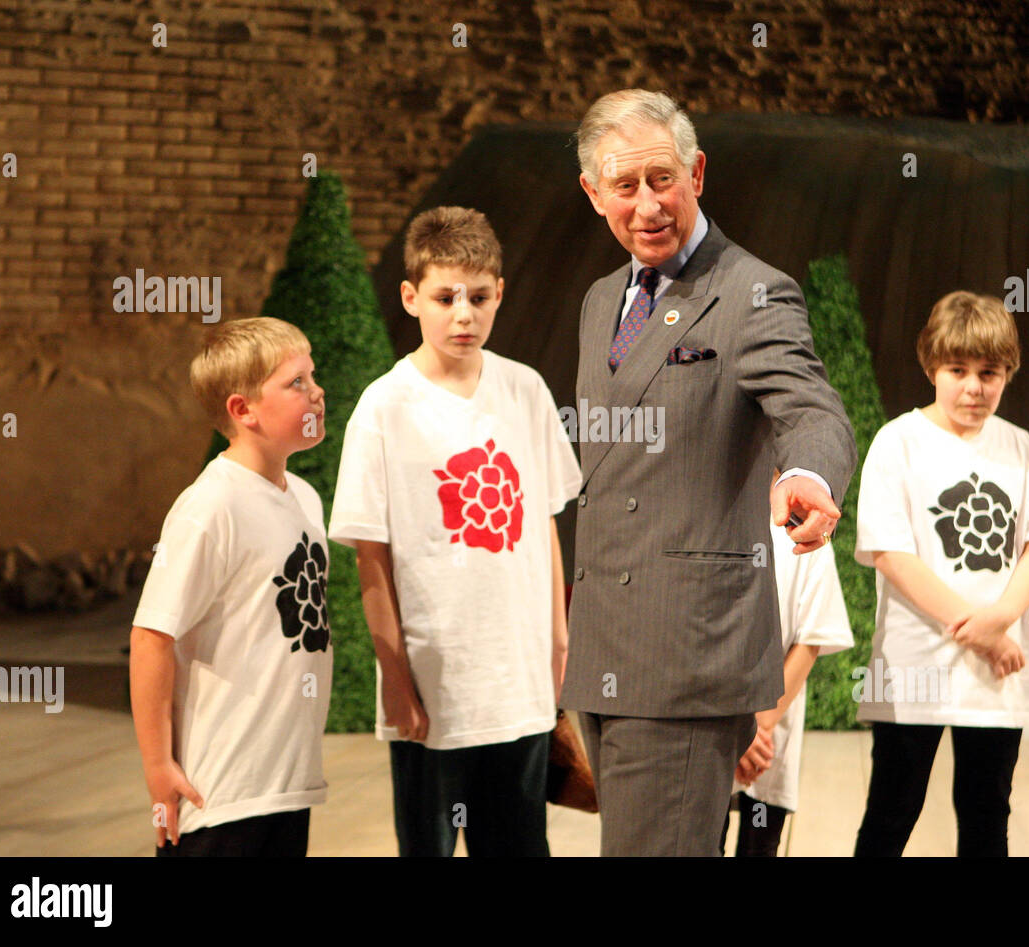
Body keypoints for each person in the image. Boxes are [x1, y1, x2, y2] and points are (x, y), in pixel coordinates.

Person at [561, 88, 857, 856]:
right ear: (594, 194)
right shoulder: (600, 301)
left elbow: (814, 409)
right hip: (605, 649)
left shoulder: (753, 290)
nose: (649, 203)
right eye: (625, 186)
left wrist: (810, 478)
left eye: (664, 178)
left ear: (697, 171)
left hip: (688, 652)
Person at [328, 206, 582, 857]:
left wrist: (558, 643)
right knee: (430, 845)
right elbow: (371, 557)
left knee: (521, 843)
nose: (463, 314)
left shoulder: (525, 390)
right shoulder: (384, 408)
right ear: (412, 296)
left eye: (479, 296)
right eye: (445, 297)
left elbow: (545, 524)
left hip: (519, 681)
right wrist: (394, 673)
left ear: (500, 293)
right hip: (436, 683)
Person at [852, 291, 1029, 857]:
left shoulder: (1019, 449)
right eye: (958, 370)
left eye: (989, 372)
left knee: (986, 817)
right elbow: (891, 553)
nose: (974, 387)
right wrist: (976, 629)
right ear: (931, 367)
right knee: (891, 813)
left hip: (996, 674)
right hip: (914, 667)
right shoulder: (897, 442)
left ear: (1007, 374)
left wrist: (999, 622)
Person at [130, 316, 332, 857]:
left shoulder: (306, 501)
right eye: (296, 383)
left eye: (312, 376)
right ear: (243, 411)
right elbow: (152, 636)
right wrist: (157, 766)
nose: (317, 392)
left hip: (286, 785)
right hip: (222, 794)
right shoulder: (210, 506)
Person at [721, 499, 855, 857]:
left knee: (760, 839)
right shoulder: (704, 514)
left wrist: (755, 728)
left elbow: (811, 638)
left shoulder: (804, 530)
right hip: (710, 729)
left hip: (769, 734)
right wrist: (735, 730)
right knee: (701, 839)